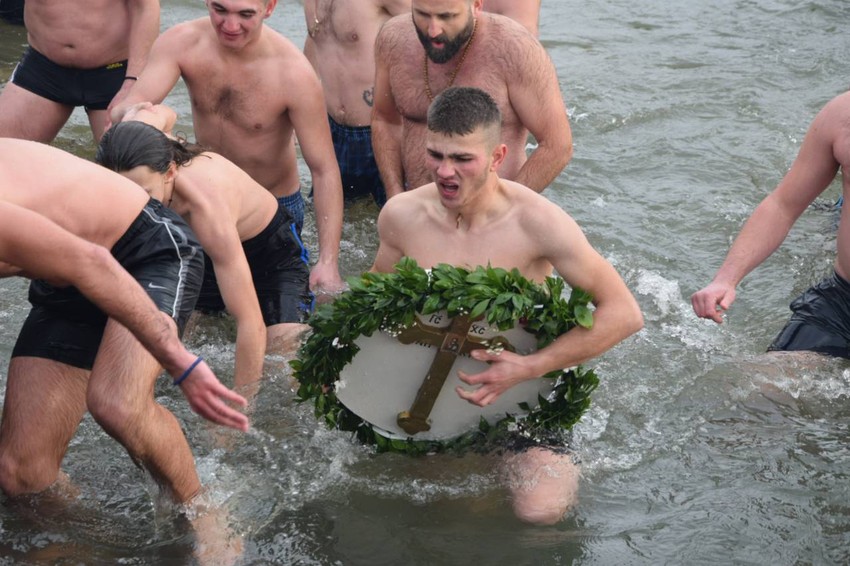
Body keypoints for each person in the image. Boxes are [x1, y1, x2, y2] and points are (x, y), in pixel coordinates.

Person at [371, 87, 643, 524]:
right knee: (438, 512)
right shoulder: (401, 215)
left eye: (462, 159)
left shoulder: (538, 223)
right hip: (429, 392)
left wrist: (531, 367)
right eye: (436, 155)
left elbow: (624, 313)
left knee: (542, 510)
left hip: (522, 397)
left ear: (498, 156)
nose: (444, 171)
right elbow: (372, 306)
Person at [0, 137, 249, 510]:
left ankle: (204, 513)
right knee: (20, 474)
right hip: (65, 275)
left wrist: (179, 361)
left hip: (143, 250)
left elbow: (91, 263)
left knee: (117, 403)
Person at [110, 0, 345, 296]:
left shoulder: (293, 74)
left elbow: (323, 169)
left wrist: (328, 261)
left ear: (270, 7)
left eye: (245, 14)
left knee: (269, 322)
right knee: (190, 317)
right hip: (203, 201)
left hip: (271, 210)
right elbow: (132, 106)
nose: (231, 26)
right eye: (220, 10)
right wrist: (135, 115)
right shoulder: (181, 43)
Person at [99, 104, 313, 384]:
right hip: (199, 250)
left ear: (170, 173)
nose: (134, 204)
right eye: (122, 191)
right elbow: (164, 112)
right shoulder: (134, 136)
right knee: (162, 347)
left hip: (271, 252)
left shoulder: (205, 208)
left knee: (283, 365)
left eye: (145, 193)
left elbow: (250, 323)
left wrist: (237, 408)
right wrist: (128, 115)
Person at [692, 91, 850, 358]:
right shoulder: (842, 114)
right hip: (841, 301)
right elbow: (783, 205)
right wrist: (726, 279)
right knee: (761, 391)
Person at [371, 0, 571, 199]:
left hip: (491, 213)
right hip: (418, 208)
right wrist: (395, 195)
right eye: (422, 14)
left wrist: (504, 210)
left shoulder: (516, 49)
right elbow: (385, 120)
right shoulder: (394, 39)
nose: (433, 30)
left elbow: (557, 146)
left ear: (476, 5)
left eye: (447, 16)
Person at [0, 0, 159, 143]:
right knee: (5, 158)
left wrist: (132, 82)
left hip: (114, 73)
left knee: (131, 167)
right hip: (44, 69)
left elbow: (145, 7)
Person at [303, 0, 410, 207]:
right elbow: (316, 38)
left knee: (395, 217)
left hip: (381, 131)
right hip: (330, 130)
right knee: (335, 222)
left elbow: (431, 25)